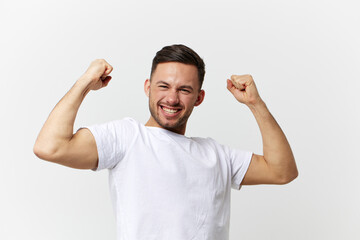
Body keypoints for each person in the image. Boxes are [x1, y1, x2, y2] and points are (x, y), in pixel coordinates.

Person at [33, 44, 298, 240]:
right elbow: (49, 147)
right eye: (163, 86)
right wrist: (83, 84)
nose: (172, 98)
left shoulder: (216, 155)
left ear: (199, 97)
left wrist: (255, 104)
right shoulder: (127, 138)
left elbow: (282, 171)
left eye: (184, 90)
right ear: (147, 87)